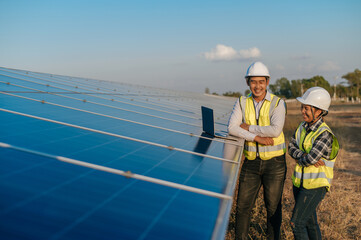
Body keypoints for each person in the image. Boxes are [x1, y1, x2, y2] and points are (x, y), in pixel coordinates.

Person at [228, 61, 287, 240]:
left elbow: (275, 130)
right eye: (253, 82)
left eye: (261, 82)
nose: (257, 86)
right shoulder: (241, 101)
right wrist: (257, 138)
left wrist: (249, 128)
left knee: (273, 207)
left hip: (275, 164)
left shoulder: (278, 103)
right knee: (243, 207)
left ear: (267, 82)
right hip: (251, 163)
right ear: (248, 83)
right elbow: (232, 127)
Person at [288, 87, 339, 239]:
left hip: (315, 186)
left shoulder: (324, 134)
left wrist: (303, 157)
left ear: (319, 111)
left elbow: (309, 160)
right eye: (302, 107)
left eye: (307, 108)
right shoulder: (302, 127)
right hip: (300, 184)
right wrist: (302, 155)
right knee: (310, 223)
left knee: (296, 224)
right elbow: (290, 147)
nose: (303, 111)